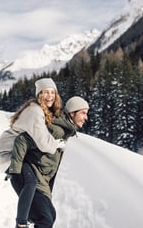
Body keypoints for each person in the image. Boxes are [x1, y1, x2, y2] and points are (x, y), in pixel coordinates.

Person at [8, 96, 89, 228]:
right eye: (83, 113)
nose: (86, 117)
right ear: (72, 113)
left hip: (41, 183)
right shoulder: (56, 130)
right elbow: (22, 140)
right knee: (45, 219)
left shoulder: (65, 131)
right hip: (31, 177)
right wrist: (16, 172)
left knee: (50, 215)